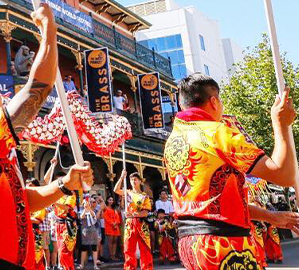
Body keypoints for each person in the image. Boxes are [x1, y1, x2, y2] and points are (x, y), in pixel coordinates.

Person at [0, 5, 93, 270]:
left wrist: (65, 185)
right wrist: (48, 30)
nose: (3, 98)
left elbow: (21, 201)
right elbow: (38, 88)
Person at [164, 74, 299, 270]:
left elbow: (213, 205)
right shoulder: (216, 133)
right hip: (223, 244)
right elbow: (283, 175)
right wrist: (281, 125)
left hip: (191, 246)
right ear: (214, 101)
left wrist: (272, 217)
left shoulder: (174, 141)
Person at [113, 171, 152, 270]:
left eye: (135, 179)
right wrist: (121, 177)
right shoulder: (127, 192)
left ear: (140, 181)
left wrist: (134, 214)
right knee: (128, 249)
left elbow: (145, 213)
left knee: (145, 250)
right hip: (130, 224)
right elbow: (116, 189)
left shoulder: (144, 196)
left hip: (141, 224)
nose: (133, 181)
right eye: (131, 180)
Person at [79, 194, 101, 269]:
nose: (87, 205)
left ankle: (95, 265)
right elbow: (81, 217)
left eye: (88, 204)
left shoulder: (92, 211)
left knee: (94, 249)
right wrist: (85, 209)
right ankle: (82, 265)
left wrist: (89, 209)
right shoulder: (81, 211)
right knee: (84, 249)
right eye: (85, 204)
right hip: (85, 232)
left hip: (93, 231)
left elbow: (94, 217)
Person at [103, 196, 121, 261]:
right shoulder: (106, 208)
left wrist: (116, 223)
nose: (111, 201)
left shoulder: (114, 209)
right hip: (109, 226)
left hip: (115, 226)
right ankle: (111, 256)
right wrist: (112, 223)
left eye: (112, 200)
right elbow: (106, 217)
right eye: (110, 200)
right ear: (107, 201)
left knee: (115, 241)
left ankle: (114, 255)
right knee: (110, 241)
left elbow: (118, 217)